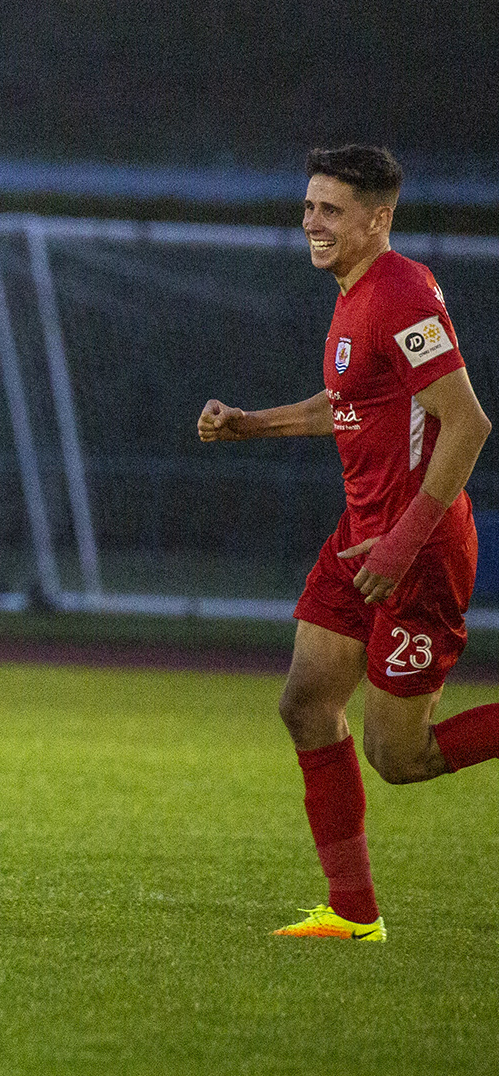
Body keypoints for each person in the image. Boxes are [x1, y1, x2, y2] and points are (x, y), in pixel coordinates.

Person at [197, 144, 499, 940]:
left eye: (331, 210)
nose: (312, 223)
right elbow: (349, 403)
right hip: (360, 538)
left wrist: (404, 541)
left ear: (378, 218)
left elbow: (468, 423)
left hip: (416, 550)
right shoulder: (353, 294)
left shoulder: (399, 292)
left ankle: (355, 910)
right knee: (304, 703)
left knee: (400, 757)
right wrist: (251, 424)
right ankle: (352, 913)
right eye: (308, 207)